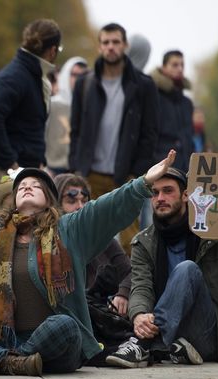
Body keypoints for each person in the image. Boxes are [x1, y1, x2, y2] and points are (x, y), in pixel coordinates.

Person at [0, 147, 176, 376]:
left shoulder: (69, 230)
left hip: (58, 345)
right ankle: (10, 361)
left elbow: (107, 207)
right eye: (22, 184)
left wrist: (143, 183)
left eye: (35, 184)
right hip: (4, 338)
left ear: (49, 198)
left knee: (65, 324)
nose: (27, 187)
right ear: (12, 199)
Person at [105, 167, 218, 369]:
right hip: (171, 341)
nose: (160, 198)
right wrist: (140, 316)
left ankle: (144, 345)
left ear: (186, 195)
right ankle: (158, 344)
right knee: (152, 302)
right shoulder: (143, 242)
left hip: (206, 336)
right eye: (155, 193)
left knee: (187, 269)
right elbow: (141, 287)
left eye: (168, 191)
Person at [69, 22, 158, 256]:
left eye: (116, 42)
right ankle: (91, 290)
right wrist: (76, 168)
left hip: (126, 174)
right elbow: (75, 130)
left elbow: (149, 133)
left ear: (125, 45)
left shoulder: (143, 85)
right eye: (106, 42)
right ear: (99, 47)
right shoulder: (84, 83)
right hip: (91, 174)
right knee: (88, 237)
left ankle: (129, 290)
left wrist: (138, 172)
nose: (111, 47)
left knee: (131, 241)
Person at [54, 173, 133, 353]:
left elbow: (130, 272)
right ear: (57, 205)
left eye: (84, 200)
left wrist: (123, 293)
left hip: (105, 317)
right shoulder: (49, 243)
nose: (79, 207)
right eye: (71, 200)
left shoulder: (102, 237)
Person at [0, 19, 62, 189]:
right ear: (53, 50)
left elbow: (27, 128)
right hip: (6, 176)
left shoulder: (29, 75)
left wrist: (39, 163)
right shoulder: (15, 77)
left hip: (22, 173)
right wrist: (11, 165)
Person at [151, 50, 194, 172]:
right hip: (160, 168)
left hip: (185, 170)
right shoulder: (153, 98)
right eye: (175, 65)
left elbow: (189, 137)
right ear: (163, 67)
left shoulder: (187, 103)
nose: (180, 69)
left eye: (182, 65)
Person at [45, 57, 88, 175]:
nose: (78, 79)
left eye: (82, 75)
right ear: (65, 75)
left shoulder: (88, 107)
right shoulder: (52, 104)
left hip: (78, 170)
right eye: (74, 74)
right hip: (53, 168)